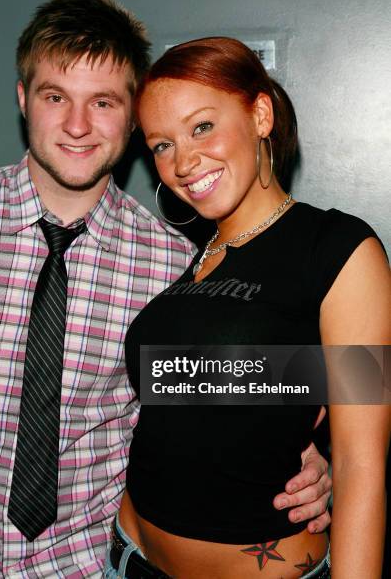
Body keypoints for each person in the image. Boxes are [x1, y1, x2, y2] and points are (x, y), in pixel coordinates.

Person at [0, 0, 332, 577]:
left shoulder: (180, 266)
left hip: (98, 562)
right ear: (23, 100)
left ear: (134, 115)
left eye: (103, 102)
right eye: (54, 97)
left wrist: (321, 453)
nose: (76, 125)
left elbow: (246, 382)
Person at [107, 37, 390, 578]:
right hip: (130, 557)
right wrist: (291, 395)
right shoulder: (192, 259)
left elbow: (361, 463)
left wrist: (320, 433)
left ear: (260, 115)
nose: (183, 162)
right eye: (161, 145)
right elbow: (195, 395)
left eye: (202, 127)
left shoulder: (340, 249)